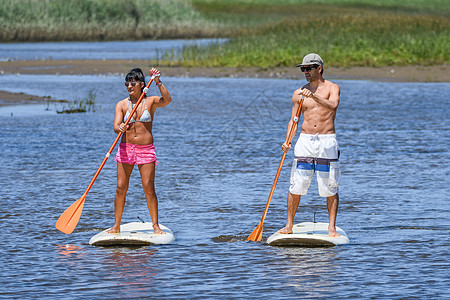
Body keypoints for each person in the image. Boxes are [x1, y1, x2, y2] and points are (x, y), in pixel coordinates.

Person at [278, 53, 342, 237]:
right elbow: (293, 121)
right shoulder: (298, 93)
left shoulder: (332, 88)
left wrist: (313, 97)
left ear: (319, 69)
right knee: (296, 185)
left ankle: (331, 228)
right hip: (305, 141)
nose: (305, 72)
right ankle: (289, 225)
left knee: (330, 186)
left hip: (326, 140)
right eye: (303, 69)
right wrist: (287, 140)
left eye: (308, 68)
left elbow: (333, 106)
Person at [107, 67, 171, 234]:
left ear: (142, 85)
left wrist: (157, 81)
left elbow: (167, 100)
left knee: (148, 186)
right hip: (125, 149)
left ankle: (155, 225)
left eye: (133, 83)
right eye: (127, 83)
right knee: (121, 187)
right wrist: (119, 127)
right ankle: (116, 226)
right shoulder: (121, 104)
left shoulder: (150, 102)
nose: (129, 86)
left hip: (146, 149)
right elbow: (115, 126)